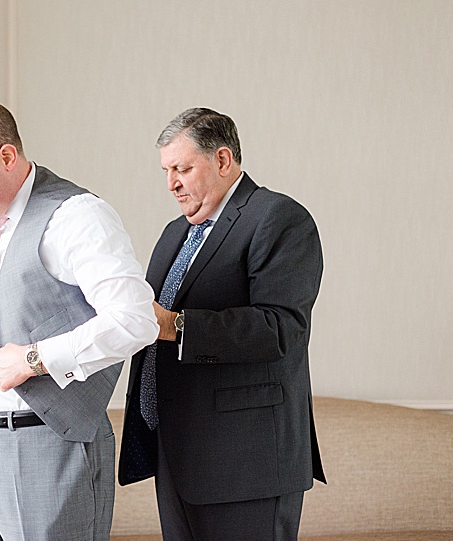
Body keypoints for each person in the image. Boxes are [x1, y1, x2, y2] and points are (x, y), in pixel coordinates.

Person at [0, 98, 158, 541]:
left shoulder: (77, 216)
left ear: (7, 157)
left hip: (49, 448)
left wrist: (34, 359)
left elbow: (135, 319)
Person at [118, 108, 326, 541]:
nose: (171, 183)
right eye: (166, 171)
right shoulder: (175, 233)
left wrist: (175, 325)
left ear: (223, 160)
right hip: (177, 454)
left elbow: (280, 328)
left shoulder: (279, 218)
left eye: (182, 169)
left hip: (246, 464)